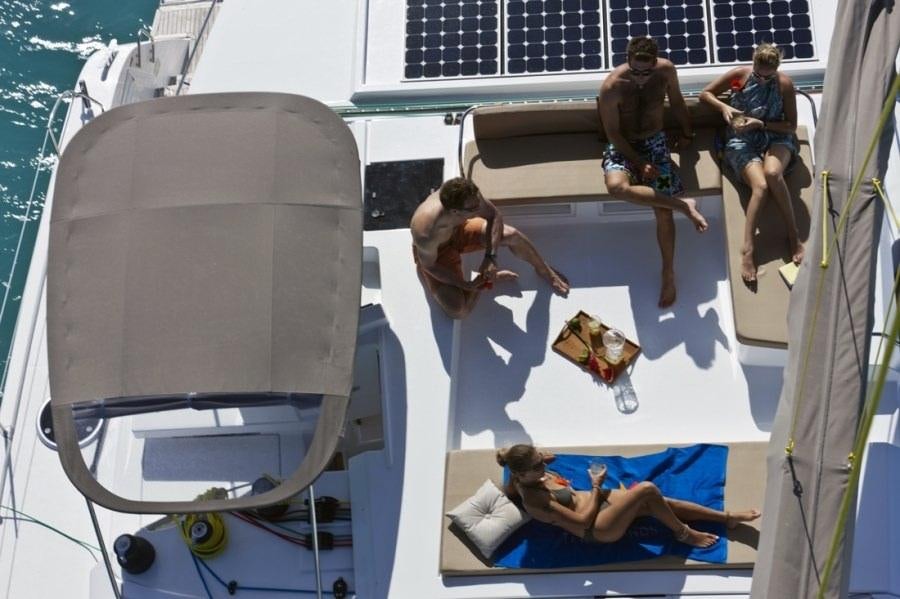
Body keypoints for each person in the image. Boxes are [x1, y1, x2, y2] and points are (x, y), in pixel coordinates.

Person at [598, 36, 709, 308]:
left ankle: (668, 273)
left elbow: (678, 102)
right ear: (627, 60)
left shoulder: (666, 71)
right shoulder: (612, 87)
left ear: (655, 64)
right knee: (616, 187)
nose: (640, 77)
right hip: (624, 146)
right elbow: (612, 132)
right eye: (635, 70)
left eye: (646, 71)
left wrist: (687, 133)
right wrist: (636, 161)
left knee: (662, 209)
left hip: (655, 141)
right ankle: (684, 204)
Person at [497, 444, 760, 547]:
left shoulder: (519, 478)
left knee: (659, 502)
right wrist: (597, 487)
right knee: (646, 490)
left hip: (594, 504)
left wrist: (538, 458)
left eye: (540, 460)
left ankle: (727, 517)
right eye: (537, 466)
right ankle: (684, 534)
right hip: (597, 528)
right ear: (521, 474)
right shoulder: (536, 501)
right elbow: (582, 523)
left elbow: (508, 490)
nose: (543, 465)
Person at [699, 42, 804, 284]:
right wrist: (724, 106)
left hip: (775, 134)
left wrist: (762, 124)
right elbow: (706, 94)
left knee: (773, 173)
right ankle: (748, 249)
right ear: (754, 62)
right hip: (741, 138)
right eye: (758, 74)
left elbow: (791, 126)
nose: (762, 79)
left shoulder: (785, 85)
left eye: (768, 77)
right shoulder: (739, 75)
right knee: (761, 187)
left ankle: (793, 234)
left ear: (776, 70)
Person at [410, 178, 570, 319]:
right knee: (458, 311)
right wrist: (465, 284)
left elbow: (493, 214)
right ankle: (485, 280)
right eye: (473, 209)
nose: (479, 207)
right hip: (437, 254)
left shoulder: (468, 195)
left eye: (478, 201)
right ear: (454, 211)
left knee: (512, 235)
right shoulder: (425, 232)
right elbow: (429, 266)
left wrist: (490, 257)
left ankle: (544, 270)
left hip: (459, 230)